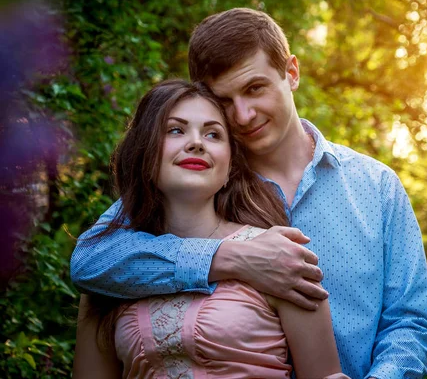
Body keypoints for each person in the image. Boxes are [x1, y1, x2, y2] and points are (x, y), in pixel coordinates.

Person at [72, 8, 427, 378]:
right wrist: (229, 258)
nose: (244, 115)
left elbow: (409, 322)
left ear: (291, 73)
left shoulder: (375, 186)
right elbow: (92, 260)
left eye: (254, 89)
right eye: (225, 101)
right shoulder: (199, 184)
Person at [72, 79, 346, 378]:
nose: (196, 143)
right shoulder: (109, 272)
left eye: (213, 134)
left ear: (230, 168)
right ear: (144, 153)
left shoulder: (279, 257)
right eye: (175, 130)